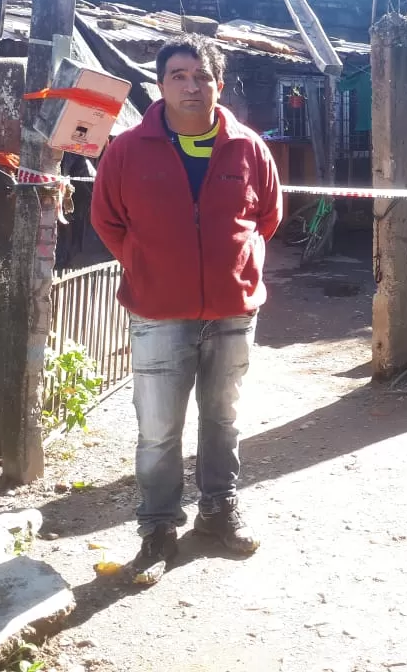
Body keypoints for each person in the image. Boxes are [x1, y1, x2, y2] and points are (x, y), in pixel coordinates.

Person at [92, 34, 282, 577]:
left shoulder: (249, 148)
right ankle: (157, 529)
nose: (191, 85)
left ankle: (218, 512)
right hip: (158, 311)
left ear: (219, 84)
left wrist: (238, 267)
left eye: (202, 76)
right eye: (179, 75)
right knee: (158, 427)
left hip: (232, 310)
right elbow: (107, 219)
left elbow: (267, 217)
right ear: (161, 84)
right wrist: (145, 262)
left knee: (223, 418)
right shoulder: (128, 149)